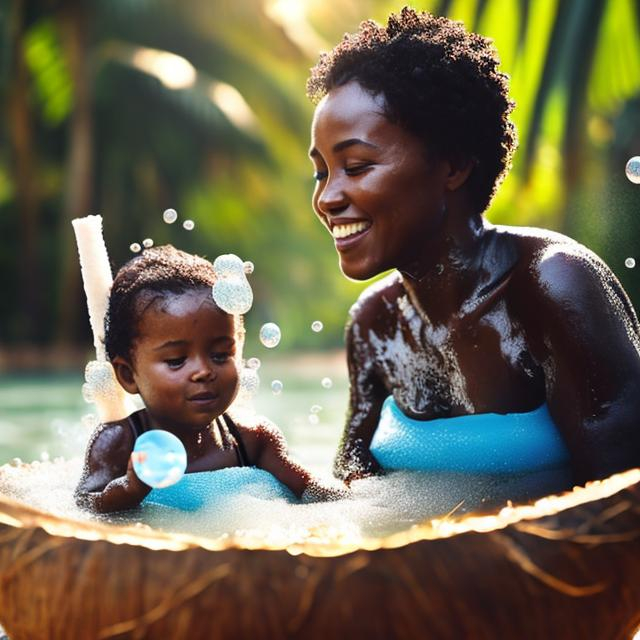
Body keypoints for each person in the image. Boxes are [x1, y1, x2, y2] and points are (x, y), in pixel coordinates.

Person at [306, 8, 640, 487]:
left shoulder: (551, 286)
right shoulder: (374, 325)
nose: (327, 197)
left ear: (453, 165)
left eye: (355, 166)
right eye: (322, 173)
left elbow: (623, 505)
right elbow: (347, 495)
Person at [75, 245, 343, 513]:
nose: (204, 371)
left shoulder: (251, 440)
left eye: (220, 354)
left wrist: (359, 501)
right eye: (176, 360)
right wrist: (127, 491)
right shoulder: (118, 443)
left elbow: (311, 489)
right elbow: (85, 505)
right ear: (127, 375)